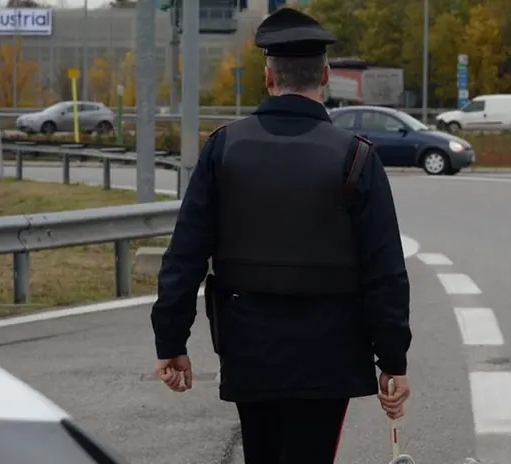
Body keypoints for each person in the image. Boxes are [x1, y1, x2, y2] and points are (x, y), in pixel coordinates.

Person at [149, 7, 412, 464]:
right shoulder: (355, 158)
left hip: (250, 349)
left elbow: (185, 254)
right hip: (330, 355)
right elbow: (384, 271)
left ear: (268, 77)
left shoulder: (224, 149)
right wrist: (393, 360)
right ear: (325, 76)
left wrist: (171, 342)